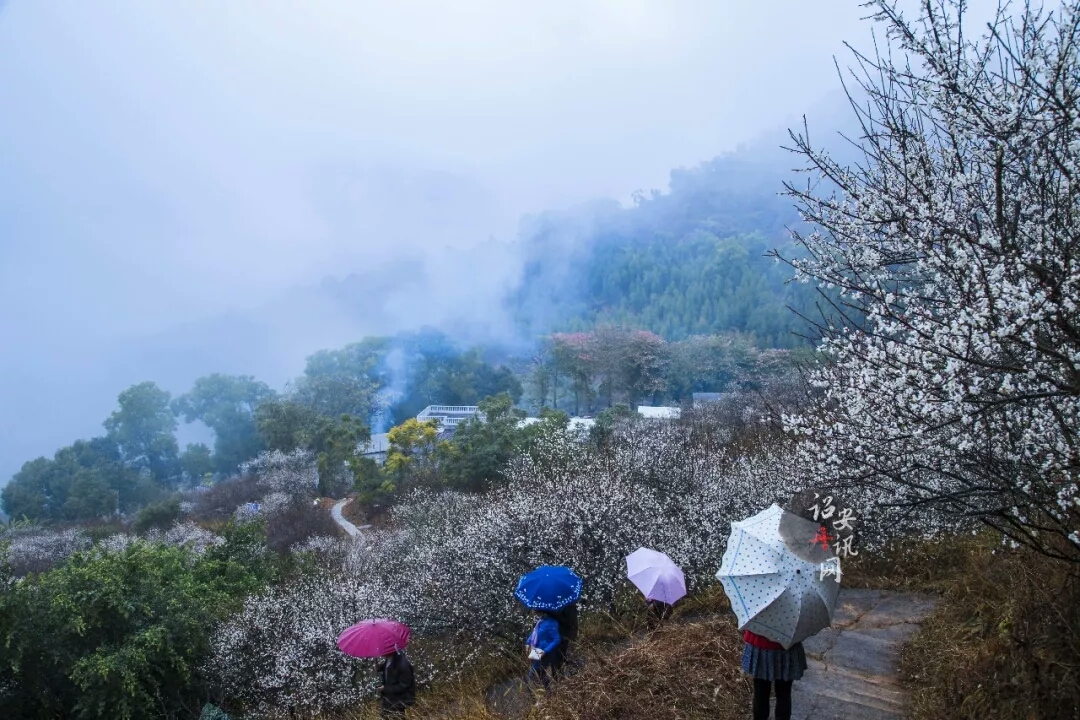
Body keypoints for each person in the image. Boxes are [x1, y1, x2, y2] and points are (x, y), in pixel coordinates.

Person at [741, 629, 807, 720]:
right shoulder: (794, 615)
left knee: (761, 692)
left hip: (761, 643)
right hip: (787, 643)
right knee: (784, 694)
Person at [525, 610, 562, 690]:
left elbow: (557, 639)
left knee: (534, 673)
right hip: (536, 650)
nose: (533, 611)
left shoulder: (552, 622)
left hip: (545, 652)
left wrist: (546, 651)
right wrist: (528, 642)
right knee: (539, 673)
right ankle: (548, 691)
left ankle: (546, 691)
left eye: (535, 610)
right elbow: (535, 632)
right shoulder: (541, 620)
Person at [376, 649, 415, 717]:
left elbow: (404, 685)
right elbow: (390, 668)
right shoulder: (390, 657)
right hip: (389, 700)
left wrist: (385, 689)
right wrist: (380, 667)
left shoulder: (403, 665)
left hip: (398, 702)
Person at [549, 602, 578, 676]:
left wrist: (554, 614)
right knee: (556, 658)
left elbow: (569, 621)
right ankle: (557, 675)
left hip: (564, 635)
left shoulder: (568, 605)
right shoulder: (567, 603)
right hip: (559, 635)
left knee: (561, 656)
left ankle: (560, 676)